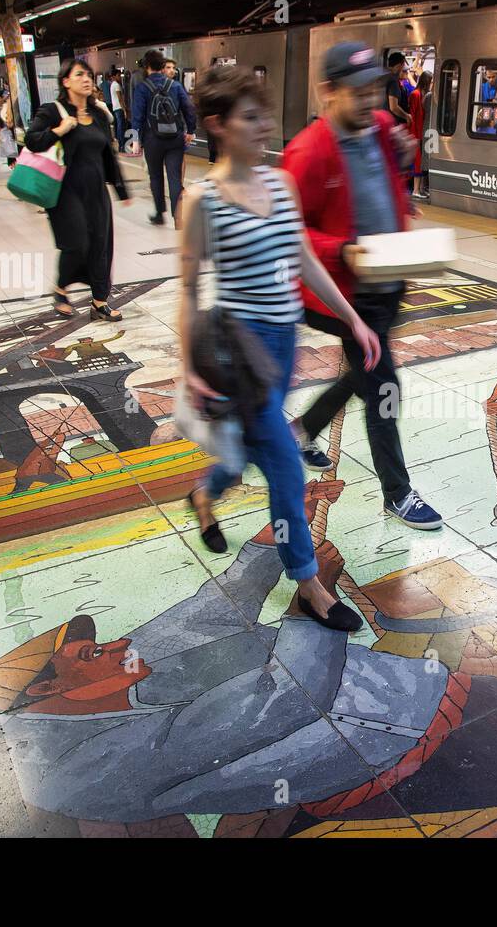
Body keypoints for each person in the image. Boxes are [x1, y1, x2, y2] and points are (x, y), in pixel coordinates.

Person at [178, 64, 382, 630]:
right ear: (217, 125)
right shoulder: (202, 200)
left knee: (248, 453)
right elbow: (189, 290)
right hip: (239, 356)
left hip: (283, 343)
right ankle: (308, 584)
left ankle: (205, 494)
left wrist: (353, 319)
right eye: (250, 118)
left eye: (265, 115)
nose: (266, 126)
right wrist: (190, 370)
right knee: (287, 467)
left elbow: (305, 261)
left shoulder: (280, 184)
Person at [280, 41, 445, 531]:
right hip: (343, 294)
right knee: (384, 386)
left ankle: (302, 430)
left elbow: (383, 180)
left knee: (364, 373)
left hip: (387, 278)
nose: (369, 100)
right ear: (327, 91)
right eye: (357, 92)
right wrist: (342, 249)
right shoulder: (306, 153)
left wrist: (402, 181)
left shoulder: (379, 127)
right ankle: (398, 493)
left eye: (373, 89)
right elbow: (289, 232)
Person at [24, 58, 130, 322]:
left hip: (96, 191)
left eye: (89, 75)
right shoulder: (52, 111)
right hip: (64, 192)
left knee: (101, 244)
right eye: (79, 74)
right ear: (65, 81)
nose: (86, 79)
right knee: (77, 242)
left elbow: (108, 155)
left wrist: (121, 190)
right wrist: (59, 130)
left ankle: (99, 302)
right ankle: (61, 288)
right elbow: (32, 140)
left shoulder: (98, 114)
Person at [131, 49, 197, 228]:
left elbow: (137, 116)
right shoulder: (175, 86)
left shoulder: (142, 88)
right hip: (175, 138)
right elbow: (189, 109)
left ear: (147, 66)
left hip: (152, 140)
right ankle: (178, 217)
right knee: (175, 178)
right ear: (162, 66)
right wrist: (190, 130)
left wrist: (135, 140)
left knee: (156, 176)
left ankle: (159, 214)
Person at [407, 70, 432, 197]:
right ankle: (415, 190)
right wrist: (414, 136)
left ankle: (419, 189)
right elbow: (412, 117)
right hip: (416, 133)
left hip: (421, 133)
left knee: (420, 162)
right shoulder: (415, 94)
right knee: (417, 162)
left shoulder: (423, 95)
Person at [384, 51, 410, 123]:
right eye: (403, 65)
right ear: (399, 65)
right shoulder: (393, 80)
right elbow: (394, 107)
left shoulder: (384, 76)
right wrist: (406, 116)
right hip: (390, 121)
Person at [108, 70, 127, 151]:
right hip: (119, 108)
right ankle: (122, 145)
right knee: (121, 127)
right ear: (114, 76)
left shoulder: (112, 85)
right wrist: (124, 109)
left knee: (119, 126)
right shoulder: (116, 85)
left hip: (115, 107)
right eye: (118, 75)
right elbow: (120, 98)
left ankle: (121, 145)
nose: (120, 77)